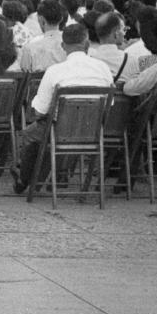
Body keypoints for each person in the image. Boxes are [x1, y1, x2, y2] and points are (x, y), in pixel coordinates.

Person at [12, 22, 115, 193]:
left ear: (63, 46)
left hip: (59, 131)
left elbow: (39, 111)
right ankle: (44, 178)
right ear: (87, 44)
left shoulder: (55, 71)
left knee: (32, 134)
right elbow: (109, 104)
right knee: (44, 134)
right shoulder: (103, 69)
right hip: (93, 130)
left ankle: (27, 180)